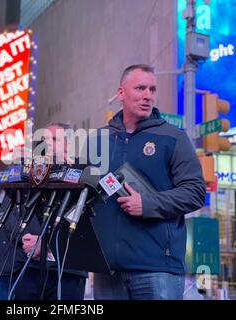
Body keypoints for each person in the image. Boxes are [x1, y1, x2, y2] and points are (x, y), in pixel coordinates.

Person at [91, 64, 206, 300]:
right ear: (121, 93)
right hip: (107, 269)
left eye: (152, 89)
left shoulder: (173, 138)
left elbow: (195, 192)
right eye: (140, 88)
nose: (148, 95)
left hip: (156, 268)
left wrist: (148, 204)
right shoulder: (98, 140)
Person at [14, 123, 88, 300]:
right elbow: (20, 210)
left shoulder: (83, 171)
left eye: (54, 139)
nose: (47, 144)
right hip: (30, 265)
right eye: (44, 139)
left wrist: (46, 244)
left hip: (67, 268)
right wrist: (31, 239)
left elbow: (86, 220)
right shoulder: (33, 173)